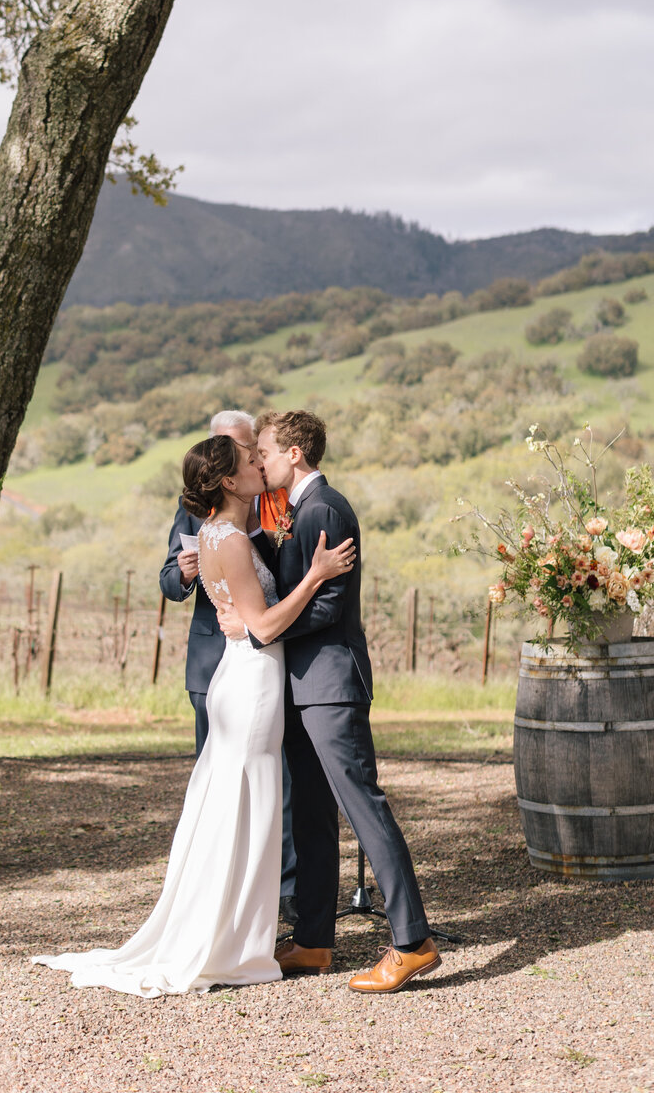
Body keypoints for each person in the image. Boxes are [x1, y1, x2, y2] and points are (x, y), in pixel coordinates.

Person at [31, 433, 355, 998]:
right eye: (250, 462)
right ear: (228, 481)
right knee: (245, 802)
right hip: (251, 683)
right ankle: (229, 941)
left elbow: (249, 620)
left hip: (246, 676)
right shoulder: (226, 539)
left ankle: (237, 933)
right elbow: (263, 626)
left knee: (243, 801)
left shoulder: (220, 532)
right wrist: (316, 573)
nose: (260, 463)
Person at [220, 410, 441, 994]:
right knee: (311, 816)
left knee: (363, 807)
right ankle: (315, 940)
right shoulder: (298, 511)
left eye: (264, 450)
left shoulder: (323, 508)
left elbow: (326, 608)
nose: (259, 460)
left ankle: (412, 942)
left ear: (294, 452)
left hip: (330, 684)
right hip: (301, 685)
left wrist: (259, 628)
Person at [159, 409, 298, 923]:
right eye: (244, 457)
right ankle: (227, 907)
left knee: (270, 786)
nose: (254, 463)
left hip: (259, 657)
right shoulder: (208, 521)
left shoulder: (272, 502)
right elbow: (168, 581)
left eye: (247, 450)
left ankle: (277, 896)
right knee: (221, 788)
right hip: (220, 664)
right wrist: (185, 572)